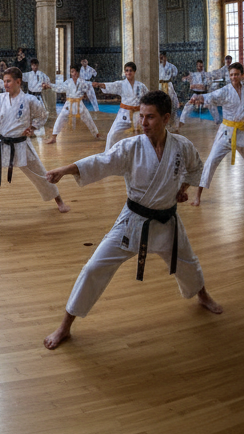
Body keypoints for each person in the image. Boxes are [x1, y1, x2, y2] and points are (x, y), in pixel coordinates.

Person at [42, 90, 222, 350]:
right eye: (141, 116)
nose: (143, 122)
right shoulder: (132, 146)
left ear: (166, 118)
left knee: (187, 262)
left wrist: (182, 188)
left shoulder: (182, 146)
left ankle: (202, 296)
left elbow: (196, 167)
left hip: (167, 222)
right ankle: (65, 326)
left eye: (150, 117)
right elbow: (102, 162)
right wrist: (67, 169)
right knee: (94, 268)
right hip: (133, 222)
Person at [0, 67, 67, 219]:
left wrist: (33, 127)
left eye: (9, 81)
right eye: (4, 81)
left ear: (18, 81)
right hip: (1, 145)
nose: (6, 84)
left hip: (22, 145)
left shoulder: (29, 100)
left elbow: (42, 115)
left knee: (41, 174)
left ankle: (59, 201)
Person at [187, 62, 244, 203]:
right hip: (226, 133)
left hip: (243, 132)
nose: (233, 77)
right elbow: (210, 96)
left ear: (242, 75)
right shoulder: (225, 91)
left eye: (236, 74)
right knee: (212, 160)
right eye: (231, 75)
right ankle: (198, 194)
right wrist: (198, 98)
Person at [95, 63, 148, 149]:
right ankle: (107, 155)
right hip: (124, 114)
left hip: (138, 115)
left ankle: (146, 155)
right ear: (124, 72)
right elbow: (111, 86)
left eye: (130, 71)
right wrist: (99, 84)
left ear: (134, 72)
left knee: (145, 135)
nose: (128, 73)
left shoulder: (141, 86)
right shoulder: (121, 84)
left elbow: (148, 97)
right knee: (112, 134)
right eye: (126, 71)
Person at [47, 66, 100, 143]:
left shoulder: (82, 82)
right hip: (69, 104)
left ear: (78, 73)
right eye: (72, 72)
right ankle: (53, 137)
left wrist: (93, 84)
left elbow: (88, 84)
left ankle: (97, 134)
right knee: (60, 118)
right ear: (70, 73)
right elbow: (60, 88)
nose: (74, 73)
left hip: (79, 104)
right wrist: (50, 85)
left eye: (75, 71)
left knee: (88, 118)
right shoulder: (68, 82)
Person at [180, 60, 221, 124]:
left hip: (205, 94)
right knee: (187, 106)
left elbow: (204, 87)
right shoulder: (193, 75)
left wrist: (195, 86)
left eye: (201, 66)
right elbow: (185, 81)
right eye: (199, 66)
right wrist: (188, 79)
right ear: (197, 66)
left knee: (212, 105)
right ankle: (181, 121)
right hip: (196, 94)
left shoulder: (206, 75)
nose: (200, 67)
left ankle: (217, 121)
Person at [22, 58, 52, 133]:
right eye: (32, 65)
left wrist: (45, 86)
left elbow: (48, 82)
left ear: (37, 65)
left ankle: (34, 127)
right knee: (27, 112)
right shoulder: (28, 74)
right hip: (29, 95)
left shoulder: (42, 75)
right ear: (31, 66)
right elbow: (20, 76)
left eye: (35, 65)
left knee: (43, 113)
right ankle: (28, 127)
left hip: (38, 96)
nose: (34, 67)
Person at [158, 52, 181, 127]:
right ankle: (161, 122)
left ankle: (172, 121)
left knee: (173, 102)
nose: (161, 58)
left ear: (165, 57)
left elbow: (175, 74)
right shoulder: (156, 66)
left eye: (162, 57)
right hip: (159, 85)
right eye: (160, 57)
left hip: (168, 85)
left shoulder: (171, 66)